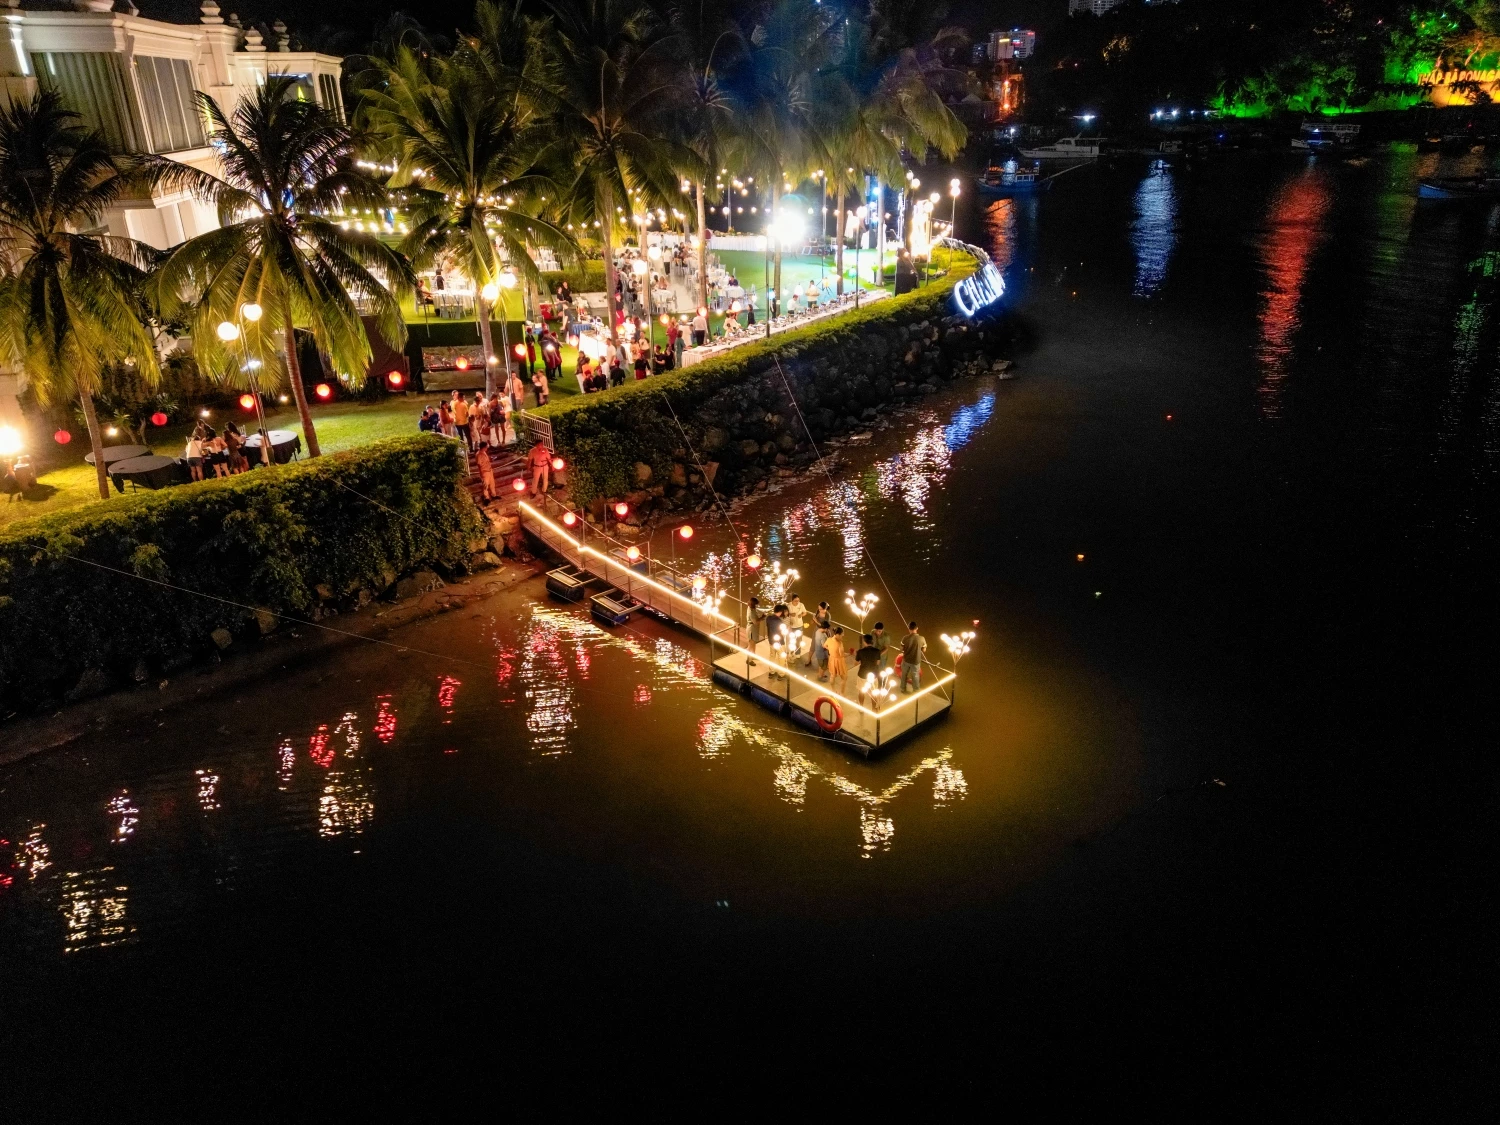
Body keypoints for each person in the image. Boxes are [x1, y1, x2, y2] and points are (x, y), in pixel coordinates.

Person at [900, 620, 926, 693]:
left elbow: (901, 648)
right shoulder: (922, 638)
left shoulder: (905, 638)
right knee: (915, 676)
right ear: (917, 628)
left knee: (904, 675)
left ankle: (902, 688)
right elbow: (924, 650)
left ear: (909, 629)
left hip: (906, 660)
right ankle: (916, 690)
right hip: (915, 661)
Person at [824, 626, 848, 693]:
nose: (843, 635)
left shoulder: (829, 639)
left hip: (832, 659)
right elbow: (842, 654)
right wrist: (849, 654)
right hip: (839, 661)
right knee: (844, 677)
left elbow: (824, 645)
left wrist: (831, 650)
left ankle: (833, 690)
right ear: (837, 634)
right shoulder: (839, 644)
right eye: (842, 634)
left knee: (832, 675)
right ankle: (842, 693)